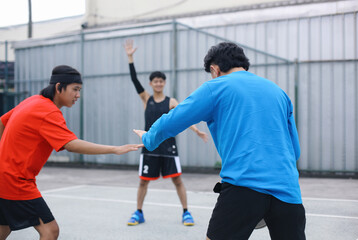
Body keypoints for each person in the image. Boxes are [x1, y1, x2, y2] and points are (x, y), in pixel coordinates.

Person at [134, 42, 306, 240]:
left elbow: (173, 120)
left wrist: (148, 138)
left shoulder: (216, 87)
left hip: (244, 186)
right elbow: (295, 150)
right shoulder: (279, 93)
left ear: (214, 69)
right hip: (288, 189)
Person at [0, 65, 143, 240]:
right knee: (50, 231)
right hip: (16, 181)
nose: (78, 95)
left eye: (79, 90)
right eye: (75, 89)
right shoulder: (48, 111)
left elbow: (2, 122)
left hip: (4, 177)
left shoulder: (33, 101)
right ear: (59, 87)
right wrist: (115, 149)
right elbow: (70, 144)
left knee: (3, 229)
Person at [123, 39, 208, 227]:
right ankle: (139, 212)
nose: (159, 83)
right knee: (143, 182)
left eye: (161, 81)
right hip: (149, 146)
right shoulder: (146, 98)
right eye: (155, 81)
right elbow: (134, 81)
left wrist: (196, 131)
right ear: (151, 83)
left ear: (164, 83)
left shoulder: (172, 101)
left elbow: (184, 118)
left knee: (177, 181)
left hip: (168, 147)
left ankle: (186, 213)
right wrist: (130, 58)